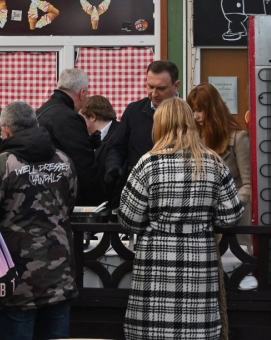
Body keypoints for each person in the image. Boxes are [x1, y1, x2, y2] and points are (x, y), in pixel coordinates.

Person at [118, 98, 243, 340]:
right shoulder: (213, 162)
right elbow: (230, 216)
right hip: (200, 258)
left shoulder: (148, 163)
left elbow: (129, 218)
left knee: (153, 330)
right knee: (196, 330)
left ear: (159, 125)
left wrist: (153, 222)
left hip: (155, 259)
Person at [0, 101, 78, 340]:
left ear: (6, 131)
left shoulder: (2, 164)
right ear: (36, 125)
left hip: (17, 281)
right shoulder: (64, 160)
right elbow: (69, 205)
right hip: (59, 278)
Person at [103, 60, 180, 192]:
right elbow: (117, 146)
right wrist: (113, 165)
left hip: (174, 186)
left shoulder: (186, 114)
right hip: (137, 185)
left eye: (161, 88)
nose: (154, 93)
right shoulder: (134, 111)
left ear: (176, 86)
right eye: (150, 86)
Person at [187, 83, 252, 230]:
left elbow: (249, 185)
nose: (195, 116)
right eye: (193, 111)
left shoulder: (239, 137)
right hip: (204, 223)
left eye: (199, 110)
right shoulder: (194, 140)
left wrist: (228, 206)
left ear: (212, 110)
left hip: (234, 223)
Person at [36, 69, 102, 206]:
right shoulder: (69, 117)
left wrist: (88, 143)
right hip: (61, 197)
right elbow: (83, 164)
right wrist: (98, 201)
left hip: (40, 190)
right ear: (82, 93)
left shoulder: (41, 111)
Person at [78, 96, 120, 211]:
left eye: (81, 118)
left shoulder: (120, 133)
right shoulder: (92, 138)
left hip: (114, 206)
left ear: (92, 117)